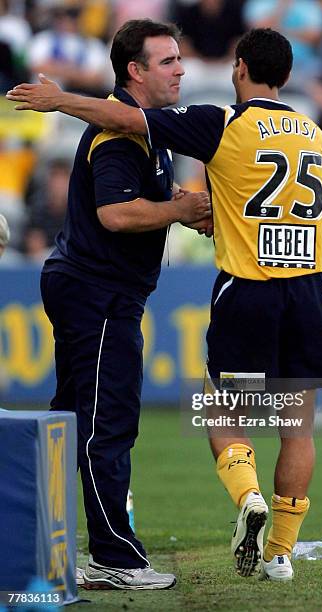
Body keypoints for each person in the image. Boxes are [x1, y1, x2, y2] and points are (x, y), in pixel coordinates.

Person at [7, 27, 322, 583]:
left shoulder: (223, 122)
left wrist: (59, 98)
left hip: (247, 288)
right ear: (285, 75)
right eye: (170, 61)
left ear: (238, 69)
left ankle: (247, 499)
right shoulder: (314, 133)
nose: (182, 71)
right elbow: (134, 174)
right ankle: (281, 552)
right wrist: (189, 209)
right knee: (295, 424)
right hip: (310, 289)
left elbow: (129, 122)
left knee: (218, 413)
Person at [8, 19, 211, 591]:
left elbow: (137, 197)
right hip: (98, 292)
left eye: (179, 58)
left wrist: (180, 203)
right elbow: (116, 214)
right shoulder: (119, 135)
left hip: (94, 288)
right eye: (167, 61)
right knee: (106, 424)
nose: (180, 69)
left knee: (72, 423)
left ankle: (43, 543)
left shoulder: (143, 131)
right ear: (135, 71)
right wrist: (178, 211)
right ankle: (115, 558)